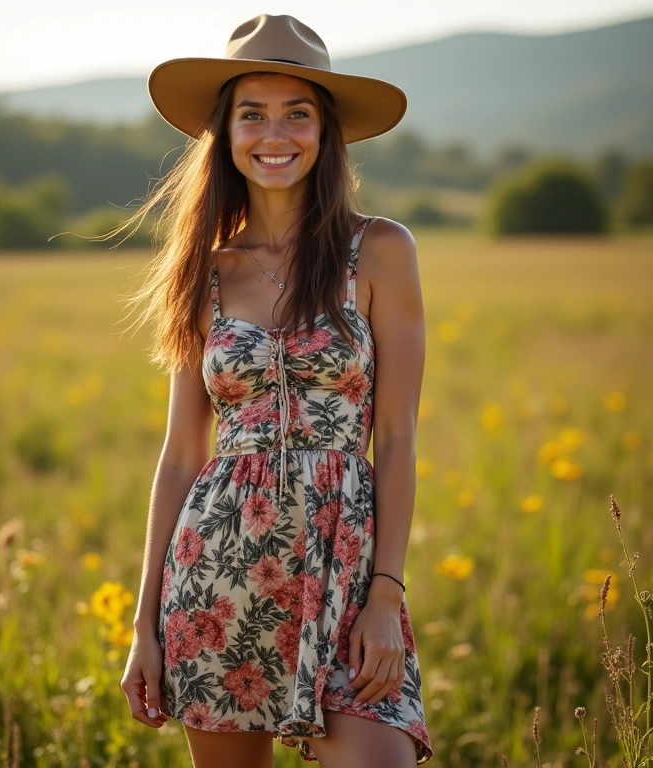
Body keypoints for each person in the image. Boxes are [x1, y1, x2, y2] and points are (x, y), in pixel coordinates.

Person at [119, 14, 432, 768]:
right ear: (225, 135)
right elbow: (180, 455)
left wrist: (385, 594)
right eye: (251, 114)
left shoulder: (381, 250)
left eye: (298, 112)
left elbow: (394, 439)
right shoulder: (207, 272)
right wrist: (144, 626)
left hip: (346, 567)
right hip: (216, 568)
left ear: (326, 133)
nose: (275, 134)